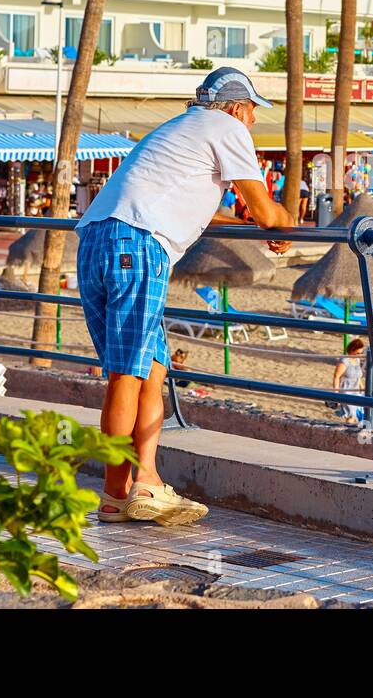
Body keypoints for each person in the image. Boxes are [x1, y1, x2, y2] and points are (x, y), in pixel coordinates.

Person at [76, 67, 294, 526]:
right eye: (253, 111)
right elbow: (265, 210)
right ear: (237, 107)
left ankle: (144, 481)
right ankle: (118, 491)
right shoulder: (227, 127)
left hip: (97, 240)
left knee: (151, 369)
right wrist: (281, 220)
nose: (252, 122)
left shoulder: (177, 128)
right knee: (125, 377)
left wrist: (252, 226)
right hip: (137, 246)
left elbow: (198, 208)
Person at [330, 338, 370, 427]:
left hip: (356, 391)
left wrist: (362, 388)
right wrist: (336, 394)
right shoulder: (344, 361)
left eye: (361, 353)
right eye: (357, 353)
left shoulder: (357, 360)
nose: (359, 355)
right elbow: (336, 376)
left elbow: (358, 377)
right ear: (352, 350)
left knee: (358, 414)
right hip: (346, 390)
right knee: (351, 415)